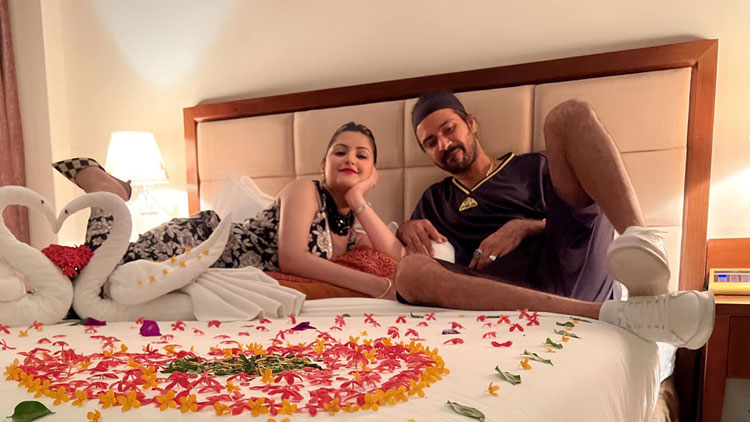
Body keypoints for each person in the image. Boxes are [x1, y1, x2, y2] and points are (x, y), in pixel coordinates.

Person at [393, 92, 714, 349]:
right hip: (497, 298)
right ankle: (618, 315)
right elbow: (408, 260)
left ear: (471, 123)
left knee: (567, 115)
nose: (444, 144)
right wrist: (406, 229)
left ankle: (643, 244)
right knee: (408, 272)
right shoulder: (435, 199)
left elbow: (576, 216)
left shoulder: (534, 167)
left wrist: (523, 227)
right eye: (431, 143)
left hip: (566, 266)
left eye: (449, 129)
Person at [52, 122, 404, 300]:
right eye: (340, 152)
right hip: (202, 243)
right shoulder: (305, 190)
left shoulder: (349, 228)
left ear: (373, 171)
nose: (349, 159)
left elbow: (397, 256)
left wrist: (358, 197)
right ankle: (106, 192)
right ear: (322, 165)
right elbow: (293, 259)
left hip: (209, 266)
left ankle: (107, 193)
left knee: (100, 284)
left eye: (362, 156)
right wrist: (377, 286)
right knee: (98, 278)